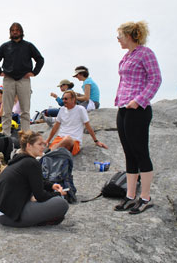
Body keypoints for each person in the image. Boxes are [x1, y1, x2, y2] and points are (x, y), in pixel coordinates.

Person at [114, 21, 162, 214]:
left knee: (141, 152)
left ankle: (145, 197)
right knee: (129, 153)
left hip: (138, 109)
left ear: (130, 36)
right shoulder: (127, 56)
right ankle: (130, 195)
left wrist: (139, 100)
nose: (118, 39)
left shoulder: (146, 53)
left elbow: (155, 79)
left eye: (120, 36)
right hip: (123, 107)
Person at [0, 131, 69, 227]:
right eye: (39, 144)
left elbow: (36, 180)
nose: (43, 147)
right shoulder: (32, 163)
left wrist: (51, 185)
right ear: (29, 146)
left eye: (44, 144)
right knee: (61, 204)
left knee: (39, 198)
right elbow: (40, 196)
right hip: (8, 217)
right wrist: (58, 194)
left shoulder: (19, 159)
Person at [0, 22, 44, 136]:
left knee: (25, 110)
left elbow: (40, 59)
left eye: (17, 30)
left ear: (21, 31)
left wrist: (34, 72)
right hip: (9, 79)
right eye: (12, 30)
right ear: (10, 32)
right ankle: (6, 136)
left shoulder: (28, 46)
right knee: (6, 110)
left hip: (24, 79)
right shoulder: (5, 46)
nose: (15, 32)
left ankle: (26, 135)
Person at [45, 90, 108, 156]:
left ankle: (49, 153)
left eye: (66, 99)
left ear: (73, 99)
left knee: (67, 139)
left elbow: (88, 126)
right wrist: (48, 140)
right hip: (59, 139)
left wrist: (96, 141)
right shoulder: (62, 109)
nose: (64, 101)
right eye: (63, 99)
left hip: (74, 142)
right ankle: (51, 153)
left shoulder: (80, 109)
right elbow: (56, 126)